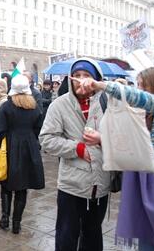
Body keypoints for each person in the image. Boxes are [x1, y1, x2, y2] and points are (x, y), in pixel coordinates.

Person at [77, 66, 154, 251]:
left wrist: (100, 85)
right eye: (138, 85)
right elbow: (138, 144)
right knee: (147, 244)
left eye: (143, 86)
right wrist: (102, 138)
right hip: (150, 185)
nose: (139, 90)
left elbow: (142, 98)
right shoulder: (151, 111)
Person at [39, 58, 111, 251]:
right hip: (72, 186)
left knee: (93, 237)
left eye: (86, 76)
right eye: (77, 76)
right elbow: (46, 139)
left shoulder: (108, 103)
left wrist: (102, 139)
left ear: (96, 79)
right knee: (66, 237)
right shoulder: (59, 105)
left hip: (100, 184)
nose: (81, 80)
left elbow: (122, 137)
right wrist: (78, 149)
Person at [0, 75, 45, 234]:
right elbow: (38, 128)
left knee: (7, 186)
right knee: (22, 187)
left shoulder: (7, 106)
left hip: (10, 148)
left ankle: (5, 219)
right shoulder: (34, 106)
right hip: (29, 148)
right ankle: (17, 224)